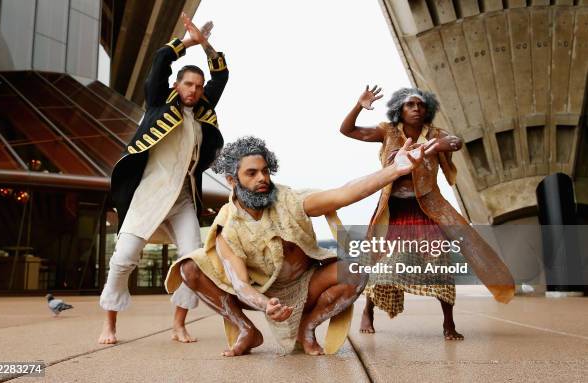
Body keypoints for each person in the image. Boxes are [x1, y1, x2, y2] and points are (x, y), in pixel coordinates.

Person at [164, 135, 434, 357]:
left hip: (307, 284)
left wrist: (394, 170)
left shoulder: (290, 200)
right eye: (252, 173)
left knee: (355, 271)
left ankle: (308, 325)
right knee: (189, 267)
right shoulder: (227, 226)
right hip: (262, 293)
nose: (262, 178)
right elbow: (240, 284)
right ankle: (246, 329)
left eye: (265, 171)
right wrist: (264, 303)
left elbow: (344, 193)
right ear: (233, 181)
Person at [340, 86, 514, 340]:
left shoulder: (434, 134)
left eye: (421, 105)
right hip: (394, 212)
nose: (416, 109)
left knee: (441, 265)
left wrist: (440, 144)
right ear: (400, 109)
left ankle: (448, 324)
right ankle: (368, 311)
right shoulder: (387, 131)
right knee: (382, 266)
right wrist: (358, 106)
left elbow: (456, 142)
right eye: (410, 105)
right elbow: (347, 130)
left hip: (428, 210)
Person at [98, 13, 229, 345]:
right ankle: (110, 323)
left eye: (198, 87)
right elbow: (159, 59)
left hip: (184, 198)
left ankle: (178, 325)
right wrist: (188, 42)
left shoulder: (202, 110)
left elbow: (222, 74)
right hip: (150, 193)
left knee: (193, 263)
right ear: (177, 85)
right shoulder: (158, 103)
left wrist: (208, 45)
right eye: (188, 84)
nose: (195, 90)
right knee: (123, 257)